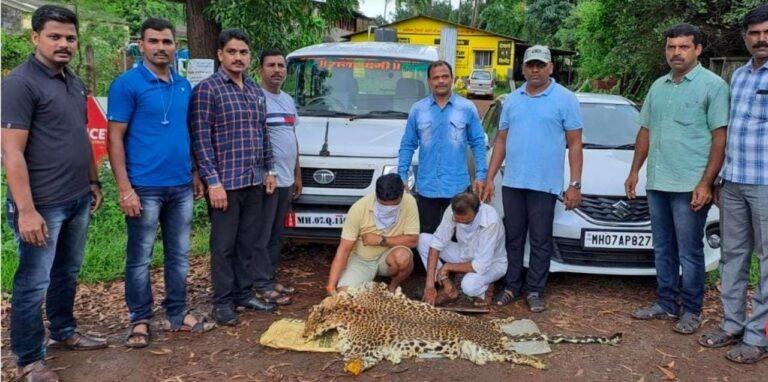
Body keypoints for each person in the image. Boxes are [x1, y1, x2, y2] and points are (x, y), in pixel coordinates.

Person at [1, 5, 105, 381]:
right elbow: (11, 152)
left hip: (76, 197)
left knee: (67, 272)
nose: (64, 44)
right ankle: (29, 359)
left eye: (70, 38)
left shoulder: (72, 81)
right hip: (42, 204)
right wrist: (26, 211)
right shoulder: (20, 83)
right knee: (33, 282)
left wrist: (93, 181)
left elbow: (81, 135)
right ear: (35, 38)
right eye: (55, 36)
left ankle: (64, 331)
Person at [107, 18, 213, 348]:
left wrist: (195, 172)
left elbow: (188, 132)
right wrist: (125, 188)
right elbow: (114, 138)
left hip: (180, 185)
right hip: (144, 187)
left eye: (167, 42)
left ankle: (177, 314)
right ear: (142, 45)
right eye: (154, 41)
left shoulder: (182, 86)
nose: (161, 47)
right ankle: (140, 320)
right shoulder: (127, 84)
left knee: (179, 255)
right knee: (140, 258)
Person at [625, 24, 728, 336]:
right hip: (658, 182)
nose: (676, 53)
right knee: (663, 248)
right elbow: (645, 131)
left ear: (697, 49)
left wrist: (706, 183)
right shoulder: (659, 87)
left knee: (690, 251)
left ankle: (692, 311)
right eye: (671, 47)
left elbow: (720, 139)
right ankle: (666, 304)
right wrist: (634, 171)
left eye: (683, 47)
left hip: (689, 187)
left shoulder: (714, 86)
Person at [483, 45, 584, 313]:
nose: (535, 69)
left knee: (540, 239)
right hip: (514, 182)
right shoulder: (512, 100)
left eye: (541, 65)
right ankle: (511, 286)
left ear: (551, 67)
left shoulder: (565, 99)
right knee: (513, 237)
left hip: (544, 184)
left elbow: (575, 143)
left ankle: (536, 290)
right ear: (524, 68)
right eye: (531, 65)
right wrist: (490, 177)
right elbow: (501, 142)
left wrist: (575, 184)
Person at [191, 28, 277, 326]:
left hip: (254, 181)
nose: (238, 57)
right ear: (220, 54)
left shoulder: (254, 90)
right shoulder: (208, 90)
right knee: (223, 247)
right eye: (232, 51)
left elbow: (262, 133)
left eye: (243, 52)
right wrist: (212, 181)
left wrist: (269, 170)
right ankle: (222, 302)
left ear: (249, 57)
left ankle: (243, 294)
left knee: (247, 242)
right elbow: (201, 139)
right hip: (224, 185)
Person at [699, 5, 768, 364]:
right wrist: (718, 180)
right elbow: (729, 133)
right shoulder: (739, 76)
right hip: (735, 181)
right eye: (755, 33)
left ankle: (758, 337)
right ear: (745, 37)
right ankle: (732, 324)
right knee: (733, 257)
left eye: (766, 32)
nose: (761, 39)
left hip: (766, 184)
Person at [398, 60, 487, 235]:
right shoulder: (418, 110)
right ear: (430, 81)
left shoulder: (467, 108)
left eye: (445, 76)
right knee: (427, 236)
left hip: (457, 188)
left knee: (457, 236)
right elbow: (408, 144)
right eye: (436, 77)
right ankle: (430, 264)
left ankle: (451, 264)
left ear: (452, 79)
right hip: (427, 187)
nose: (441, 81)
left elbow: (478, 143)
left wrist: (481, 176)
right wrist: (402, 174)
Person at [252, 48, 302, 305]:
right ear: (261, 69)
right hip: (266, 180)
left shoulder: (288, 100)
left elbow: (292, 139)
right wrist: (269, 173)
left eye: (281, 66)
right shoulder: (255, 98)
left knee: (277, 233)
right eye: (271, 65)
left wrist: (297, 174)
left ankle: (270, 277)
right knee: (263, 234)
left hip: (285, 179)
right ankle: (261, 283)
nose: (277, 70)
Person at [325, 174, 419, 295]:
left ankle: (392, 287)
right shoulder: (358, 208)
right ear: (376, 195)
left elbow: (413, 240)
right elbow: (344, 249)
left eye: (393, 204)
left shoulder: (409, 201)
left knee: (403, 257)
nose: (388, 208)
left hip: (389, 256)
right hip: (362, 259)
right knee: (345, 294)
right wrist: (331, 286)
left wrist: (381, 240)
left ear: (401, 196)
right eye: (383, 205)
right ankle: (365, 282)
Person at [419, 192, 506, 306]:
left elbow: (481, 265)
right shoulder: (452, 209)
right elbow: (437, 243)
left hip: (492, 263)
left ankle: (485, 290)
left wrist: (449, 266)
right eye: (457, 220)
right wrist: (429, 285)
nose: (460, 222)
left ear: (477, 211)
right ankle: (447, 288)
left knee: (469, 286)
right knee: (423, 240)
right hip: (464, 252)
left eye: (465, 220)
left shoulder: (491, 220)